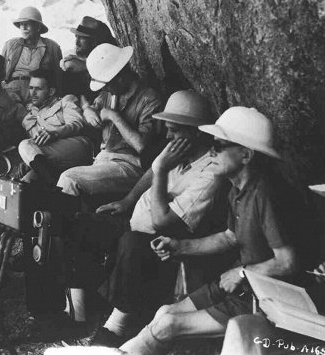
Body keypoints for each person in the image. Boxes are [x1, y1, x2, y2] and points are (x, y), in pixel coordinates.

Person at [120, 107, 300, 355]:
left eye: (220, 145)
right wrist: (180, 246)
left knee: (169, 324)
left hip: (267, 299)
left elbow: (288, 262)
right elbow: (230, 237)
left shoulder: (265, 193)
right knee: (164, 313)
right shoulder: (236, 190)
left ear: (245, 155)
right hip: (242, 286)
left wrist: (241, 273)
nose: (212, 151)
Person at [86, 91, 224, 347]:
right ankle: (81, 309)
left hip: (163, 251)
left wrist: (161, 169)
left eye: (174, 130)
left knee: (131, 243)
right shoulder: (179, 152)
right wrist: (127, 201)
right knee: (86, 222)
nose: (168, 136)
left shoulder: (211, 173)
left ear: (195, 132)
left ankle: (117, 325)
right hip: (135, 226)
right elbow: (152, 170)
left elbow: (163, 223)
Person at [56, 44, 162, 202]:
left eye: (109, 84)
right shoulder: (109, 94)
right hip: (104, 160)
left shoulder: (149, 98)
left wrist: (114, 116)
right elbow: (91, 112)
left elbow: (142, 146)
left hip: (131, 164)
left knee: (69, 179)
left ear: (121, 77)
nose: (107, 89)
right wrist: (87, 110)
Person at [16, 69, 92, 186]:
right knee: (24, 183)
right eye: (31, 88)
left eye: (38, 89)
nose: (33, 93)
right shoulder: (29, 117)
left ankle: (52, 184)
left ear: (51, 91)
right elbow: (35, 147)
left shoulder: (65, 101)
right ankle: (55, 187)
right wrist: (27, 160)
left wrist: (55, 133)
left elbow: (77, 124)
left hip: (76, 147)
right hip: (50, 158)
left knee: (24, 145)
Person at [1, 6, 62, 104]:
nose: (23, 28)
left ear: (38, 27)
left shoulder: (52, 47)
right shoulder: (11, 44)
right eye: (21, 24)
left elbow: (58, 78)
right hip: (11, 89)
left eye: (27, 24)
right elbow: (0, 71)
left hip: (37, 92)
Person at [61, 16, 116, 100]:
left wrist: (86, 66)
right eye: (76, 36)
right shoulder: (82, 52)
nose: (76, 42)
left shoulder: (109, 52)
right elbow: (66, 63)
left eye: (81, 38)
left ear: (94, 41)